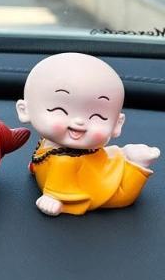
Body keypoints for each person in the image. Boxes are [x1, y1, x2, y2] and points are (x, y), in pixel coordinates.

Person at [16, 52, 160, 216]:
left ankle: (136, 164)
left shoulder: (64, 161)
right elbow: (43, 156)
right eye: (59, 109)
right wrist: (37, 166)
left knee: (123, 195)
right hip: (95, 161)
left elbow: (60, 177)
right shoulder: (47, 142)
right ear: (24, 110)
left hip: (103, 184)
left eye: (98, 116)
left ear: (116, 124)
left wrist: (54, 198)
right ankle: (124, 156)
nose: (79, 121)